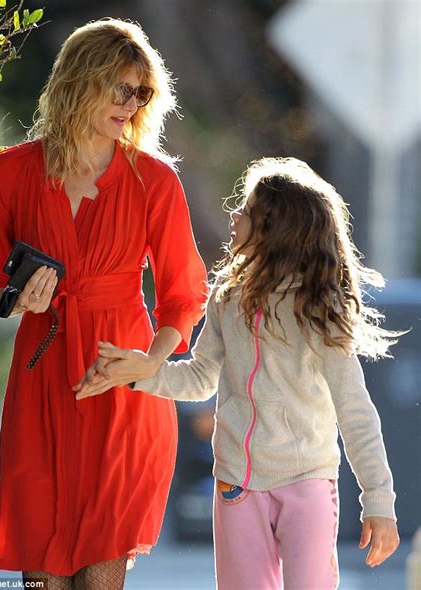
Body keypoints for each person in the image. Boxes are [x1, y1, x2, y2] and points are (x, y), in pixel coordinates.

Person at [83, 157, 401, 589]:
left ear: (275, 229)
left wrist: (378, 502)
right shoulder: (227, 297)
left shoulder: (318, 309)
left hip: (306, 483)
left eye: (246, 211)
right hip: (237, 485)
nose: (234, 216)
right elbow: (200, 377)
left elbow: (356, 413)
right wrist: (141, 372)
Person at [0, 18, 207, 589]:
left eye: (142, 92)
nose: (131, 104)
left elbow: (185, 291)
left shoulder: (154, 181)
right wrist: (17, 299)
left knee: (102, 572)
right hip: (42, 380)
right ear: (81, 81)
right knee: (41, 571)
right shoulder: (9, 172)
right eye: (120, 88)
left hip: (121, 384)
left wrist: (153, 362)